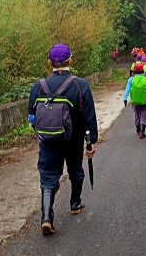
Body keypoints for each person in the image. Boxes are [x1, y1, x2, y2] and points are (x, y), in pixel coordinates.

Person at [28, 44, 98, 236]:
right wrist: (91, 141)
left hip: (48, 140)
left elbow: (32, 115)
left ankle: (46, 218)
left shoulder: (38, 86)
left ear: (49, 63)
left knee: (48, 175)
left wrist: (41, 132)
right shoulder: (79, 85)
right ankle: (75, 203)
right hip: (73, 140)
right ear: (70, 61)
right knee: (75, 170)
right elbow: (89, 116)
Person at [123, 62, 146, 138]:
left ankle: (138, 128)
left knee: (137, 115)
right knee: (144, 115)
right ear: (143, 71)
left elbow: (127, 90)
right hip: (145, 101)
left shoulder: (131, 80)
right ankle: (142, 131)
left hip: (135, 101)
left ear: (134, 71)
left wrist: (125, 98)